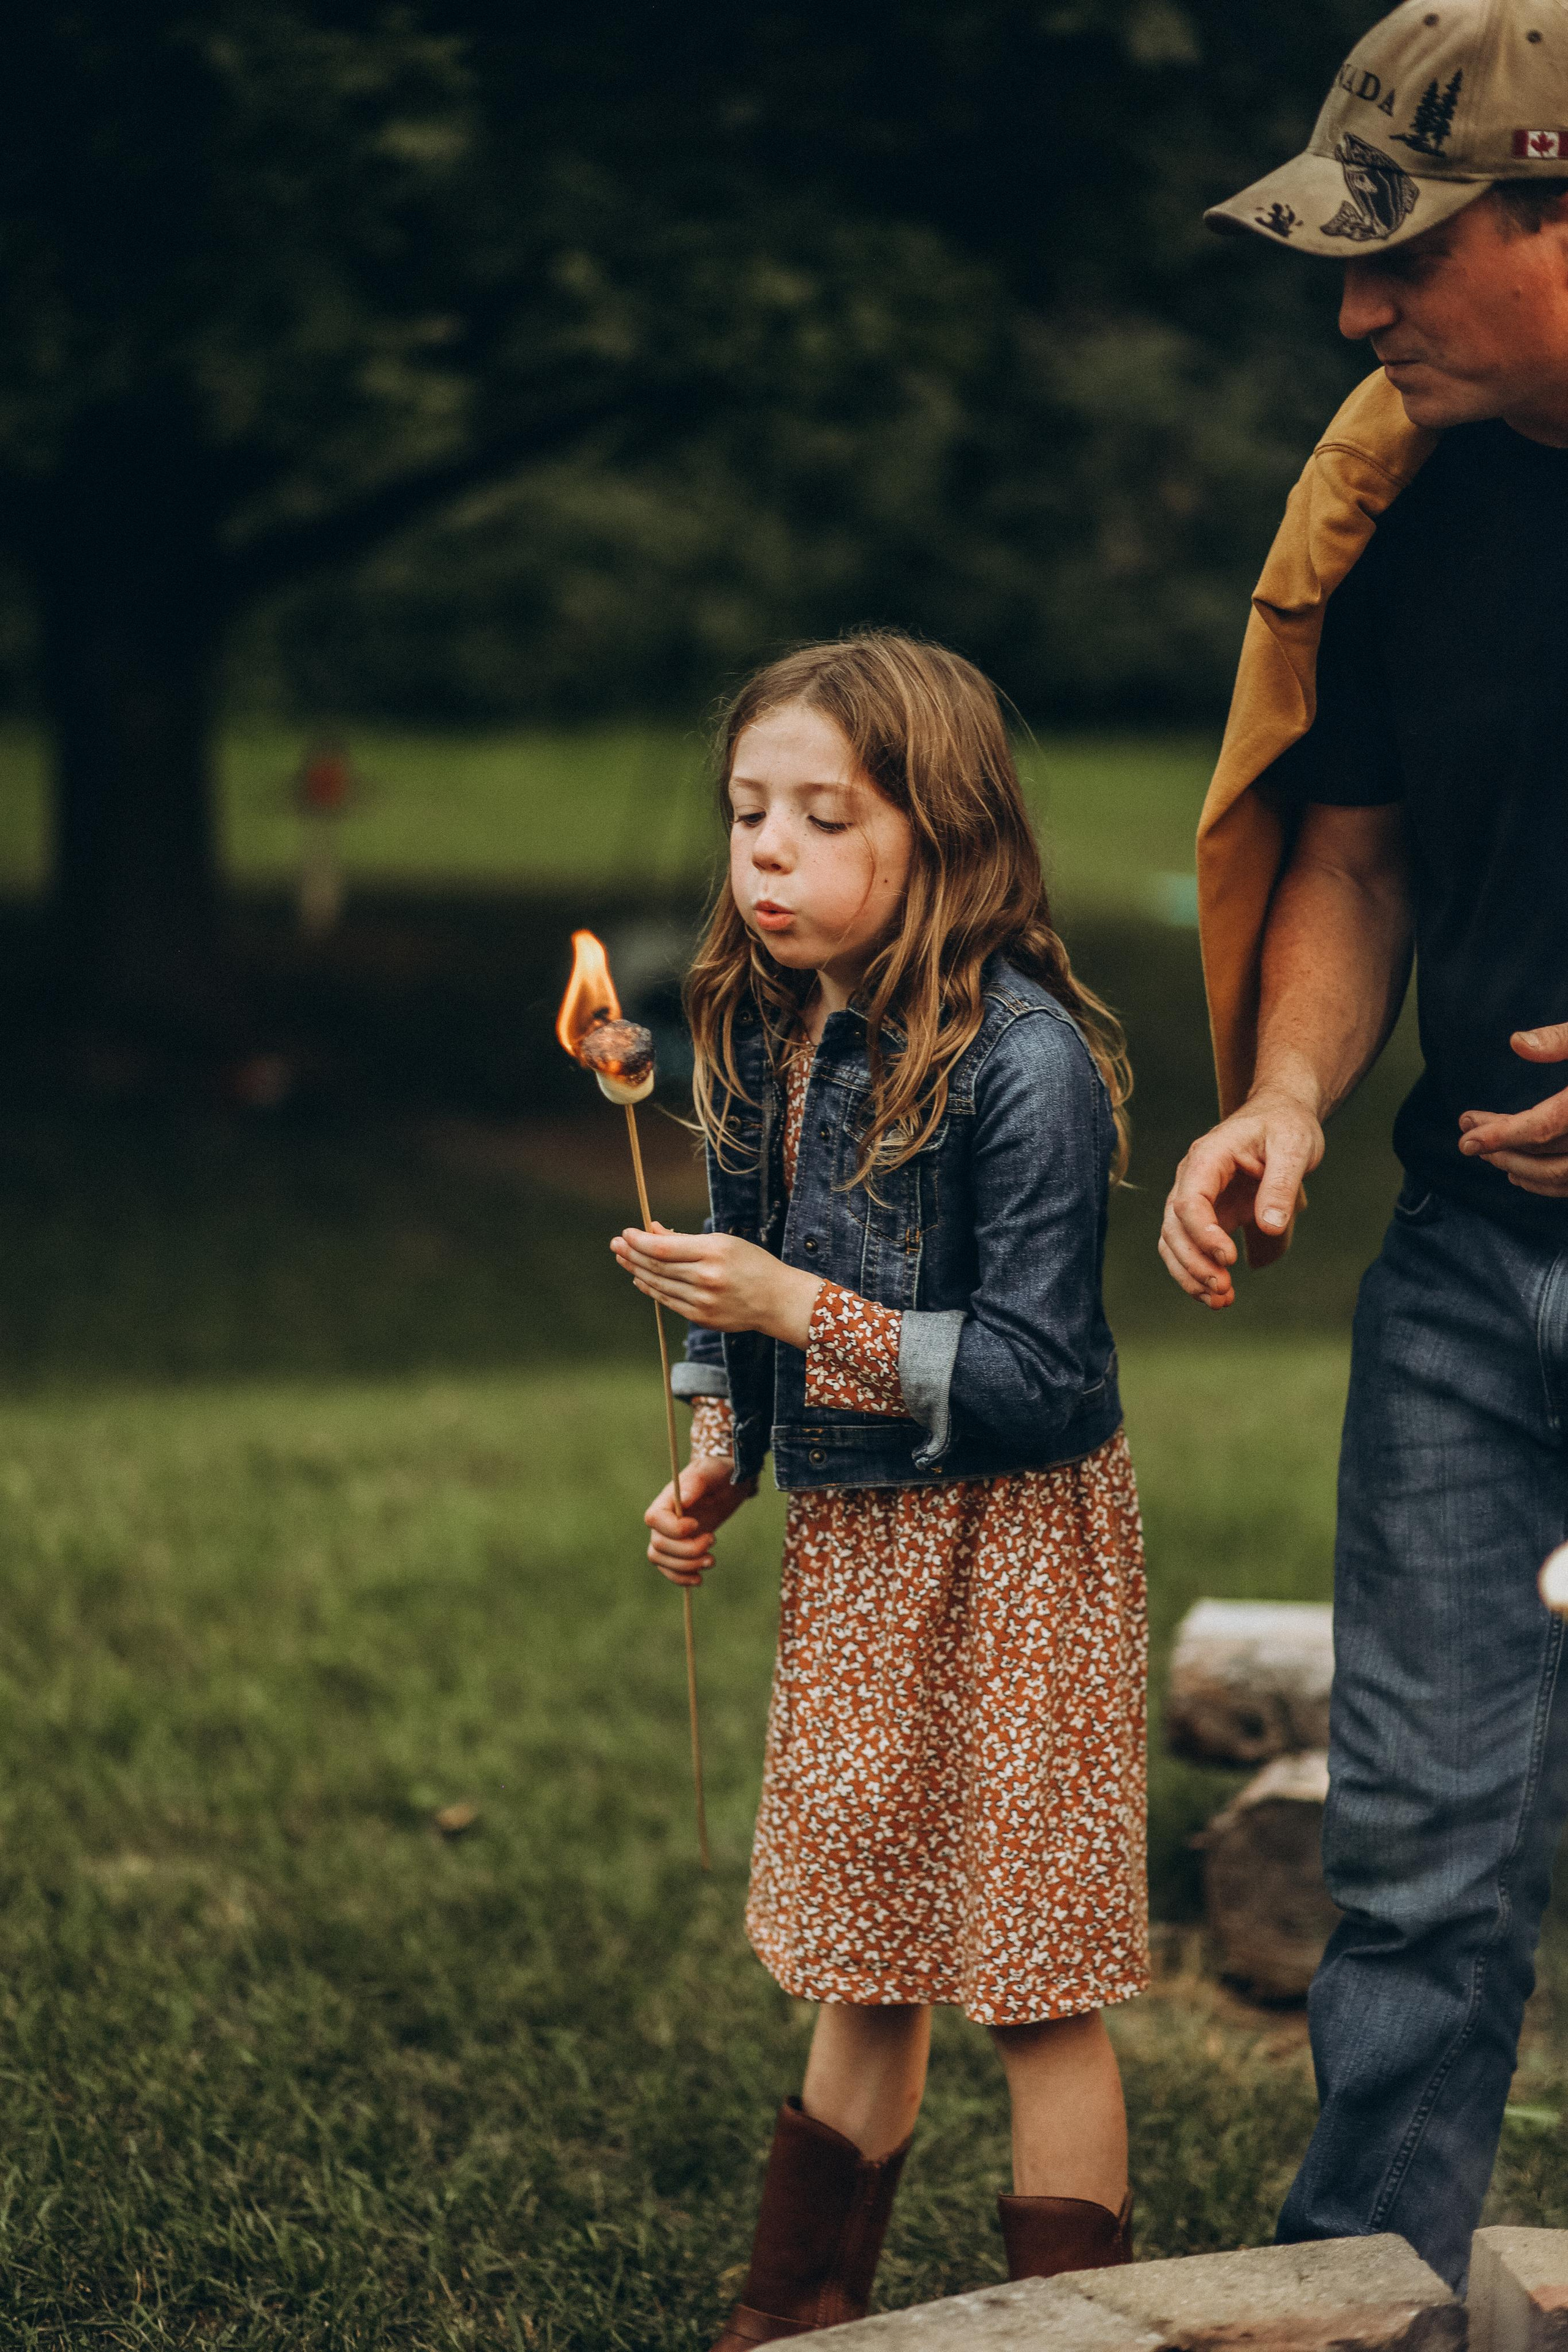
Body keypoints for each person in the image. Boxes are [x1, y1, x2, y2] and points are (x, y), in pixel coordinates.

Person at [1160, 0, 1568, 2290]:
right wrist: (1289, 1097)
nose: (1355, 304)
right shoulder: (1417, 496)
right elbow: (1363, 851)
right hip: (1458, 1290)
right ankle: (1371, 2314)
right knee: (1412, 1863)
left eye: (1405, 249)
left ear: (1560, 216)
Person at [611, 633, 1146, 2346]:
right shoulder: (760, 1042)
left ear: (944, 831)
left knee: (1032, 1977)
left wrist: (795, 1313)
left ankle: (1076, 2330)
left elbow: (1044, 1381)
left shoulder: (1024, 1064)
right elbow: (740, 1291)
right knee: (864, 1947)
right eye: (747, 811)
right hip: (863, 1554)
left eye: (821, 816)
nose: (765, 849)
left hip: (1017, 1557)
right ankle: (799, 2318)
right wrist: (716, 1445)